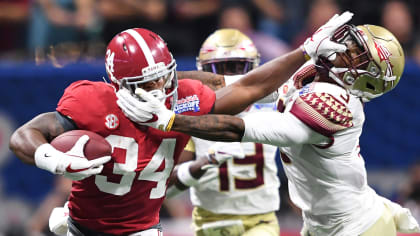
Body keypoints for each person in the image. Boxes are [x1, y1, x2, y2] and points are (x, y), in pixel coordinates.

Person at [9, 11, 352, 235]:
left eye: (164, 78)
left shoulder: (185, 98)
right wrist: (53, 159)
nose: (161, 89)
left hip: (142, 229)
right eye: (148, 83)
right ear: (119, 87)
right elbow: (26, 135)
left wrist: (305, 51)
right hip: (80, 226)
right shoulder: (92, 101)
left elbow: (251, 86)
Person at [120, 21, 420, 236]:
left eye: (355, 52)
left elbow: (236, 128)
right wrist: (161, 78)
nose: (343, 47)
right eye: (350, 40)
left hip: (355, 225)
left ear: (366, 78)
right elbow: (233, 84)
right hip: (325, 223)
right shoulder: (315, 74)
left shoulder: (336, 107)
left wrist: (169, 119)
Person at [166, 28, 281, 236]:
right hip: (209, 224)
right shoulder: (191, 117)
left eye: (238, 68)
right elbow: (163, 188)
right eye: (220, 70)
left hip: (260, 222)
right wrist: (199, 166)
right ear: (202, 72)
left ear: (254, 69)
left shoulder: (274, 109)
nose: (230, 78)